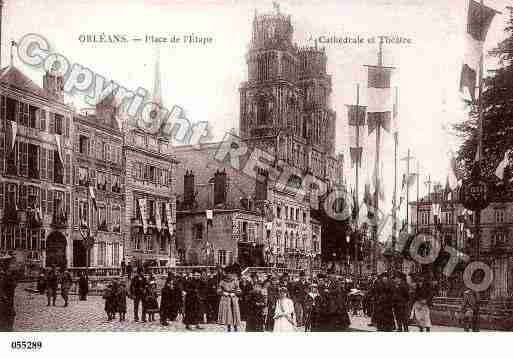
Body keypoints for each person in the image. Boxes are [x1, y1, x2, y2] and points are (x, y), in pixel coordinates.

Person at [217, 267, 242, 332]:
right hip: (226, 300)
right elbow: (218, 291)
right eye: (229, 273)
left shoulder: (235, 281)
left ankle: (235, 327)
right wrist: (224, 293)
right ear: (226, 274)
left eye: (231, 274)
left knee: (235, 313)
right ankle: (229, 328)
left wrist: (235, 293)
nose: (230, 275)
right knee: (228, 314)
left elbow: (239, 290)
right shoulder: (222, 282)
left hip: (233, 299)